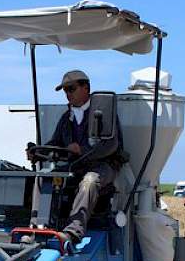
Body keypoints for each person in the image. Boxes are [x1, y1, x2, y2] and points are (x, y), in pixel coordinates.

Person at [27, 70, 126, 243]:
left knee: (89, 181)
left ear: (85, 88)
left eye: (71, 89)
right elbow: (55, 144)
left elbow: (111, 146)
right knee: (43, 176)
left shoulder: (104, 114)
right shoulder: (67, 118)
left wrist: (82, 150)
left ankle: (73, 231)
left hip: (103, 166)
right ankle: (37, 227)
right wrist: (38, 153)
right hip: (76, 166)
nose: (67, 94)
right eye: (65, 91)